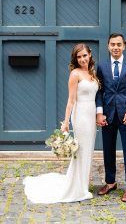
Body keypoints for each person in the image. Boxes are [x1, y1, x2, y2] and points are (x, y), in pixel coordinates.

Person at [23, 44, 99, 203]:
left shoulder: (92, 73)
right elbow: (71, 100)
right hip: (81, 116)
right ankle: (78, 188)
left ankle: (82, 183)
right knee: (81, 151)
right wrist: (66, 122)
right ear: (75, 59)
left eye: (84, 55)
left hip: (91, 116)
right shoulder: (75, 74)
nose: (82, 59)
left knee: (88, 150)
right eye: (79, 57)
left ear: (90, 55)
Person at [96, 33, 126, 202]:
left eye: (118, 44)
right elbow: (99, 91)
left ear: (124, 46)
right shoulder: (101, 66)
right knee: (108, 149)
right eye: (112, 44)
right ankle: (110, 182)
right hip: (107, 115)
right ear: (108, 46)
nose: (115, 47)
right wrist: (99, 112)